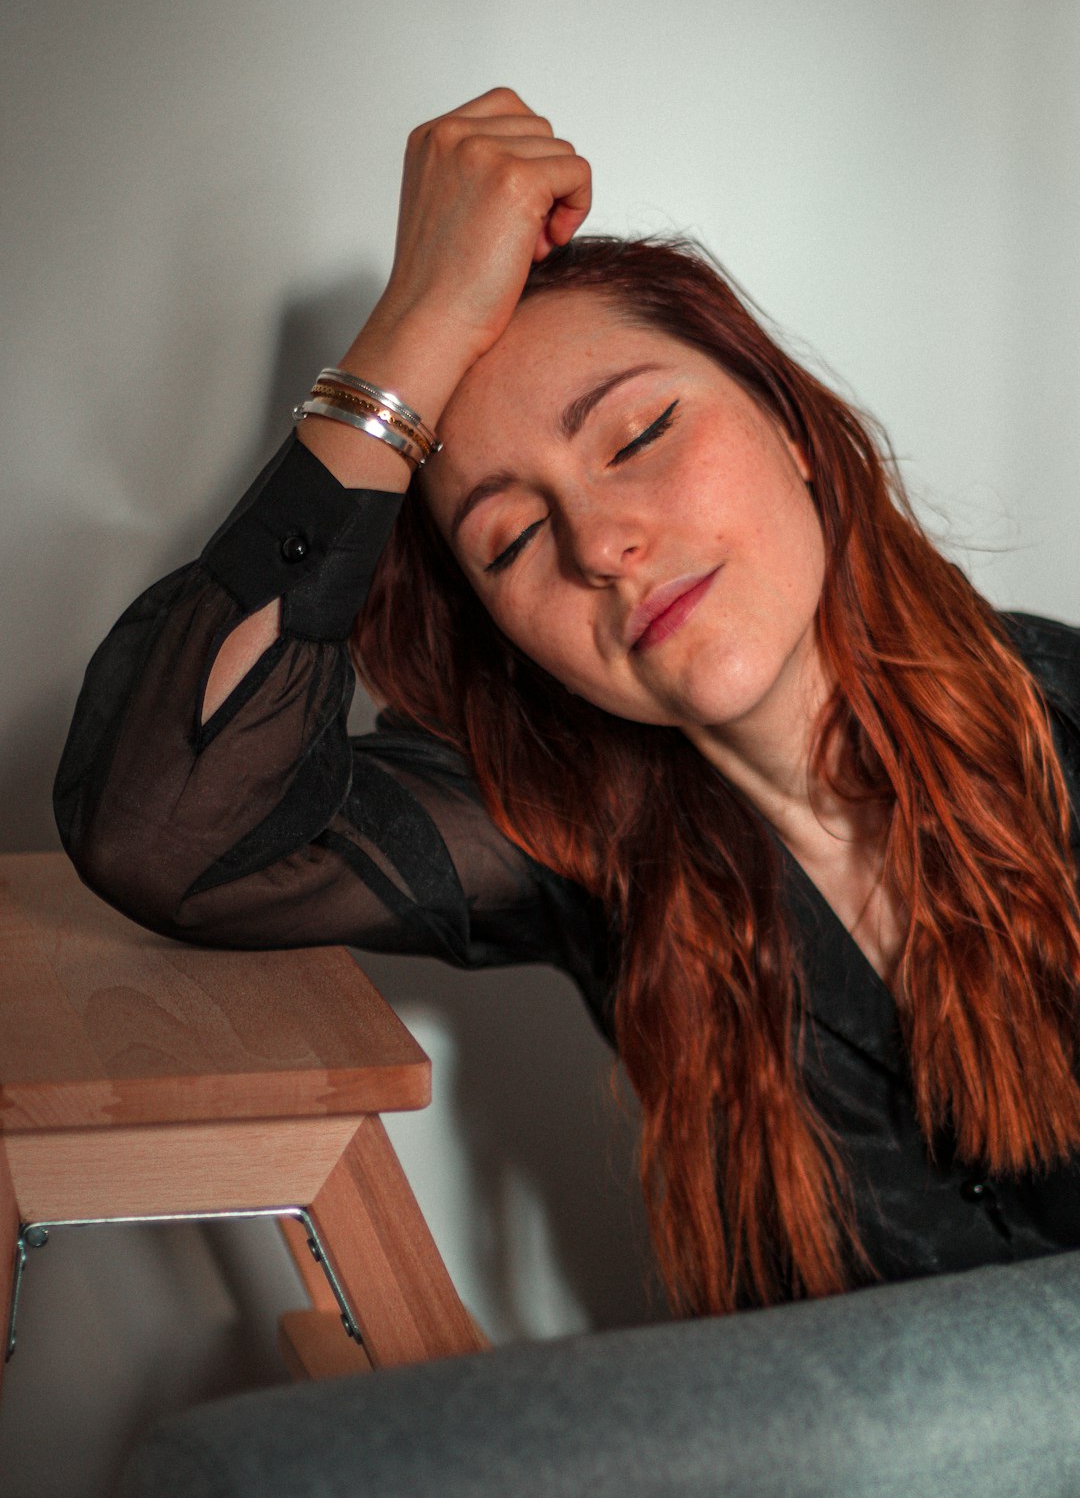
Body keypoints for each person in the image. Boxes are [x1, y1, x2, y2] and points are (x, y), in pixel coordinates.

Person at [55, 87, 1080, 1318]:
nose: (600, 544)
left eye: (639, 432)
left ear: (792, 426)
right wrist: (415, 327)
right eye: (511, 537)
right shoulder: (572, 828)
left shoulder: (1060, 717)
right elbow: (165, 829)